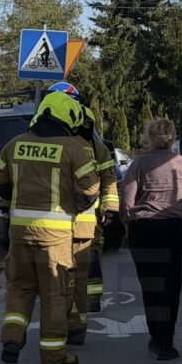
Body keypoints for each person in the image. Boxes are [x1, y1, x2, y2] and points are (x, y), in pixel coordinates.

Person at [0, 91, 100, 364]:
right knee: (54, 294)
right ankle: (53, 356)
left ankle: (12, 338)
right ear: (67, 118)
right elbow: (90, 189)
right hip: (56, 237)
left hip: (19, 234)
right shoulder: (73, 147)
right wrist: (75, 204)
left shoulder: (15, 144)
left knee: (19, 287)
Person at [119, 117, 182, 361]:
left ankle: (155, 338)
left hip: (144, 230)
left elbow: (126, 203)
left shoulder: (138, 165)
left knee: (150, 286)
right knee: (171, 287)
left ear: (150, 136)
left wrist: (129, 227)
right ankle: (166, 344)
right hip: (174, 231)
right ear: (173, 137)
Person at [67, 105, 119, 346]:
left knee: (92, 259)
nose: (85, 129)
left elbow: (109, 180)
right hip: (64, 217)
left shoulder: (99, 149)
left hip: (91, 216)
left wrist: (109, 209)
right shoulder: (66, 145)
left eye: (88, 126)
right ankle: (69, 307)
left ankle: (92, 299)